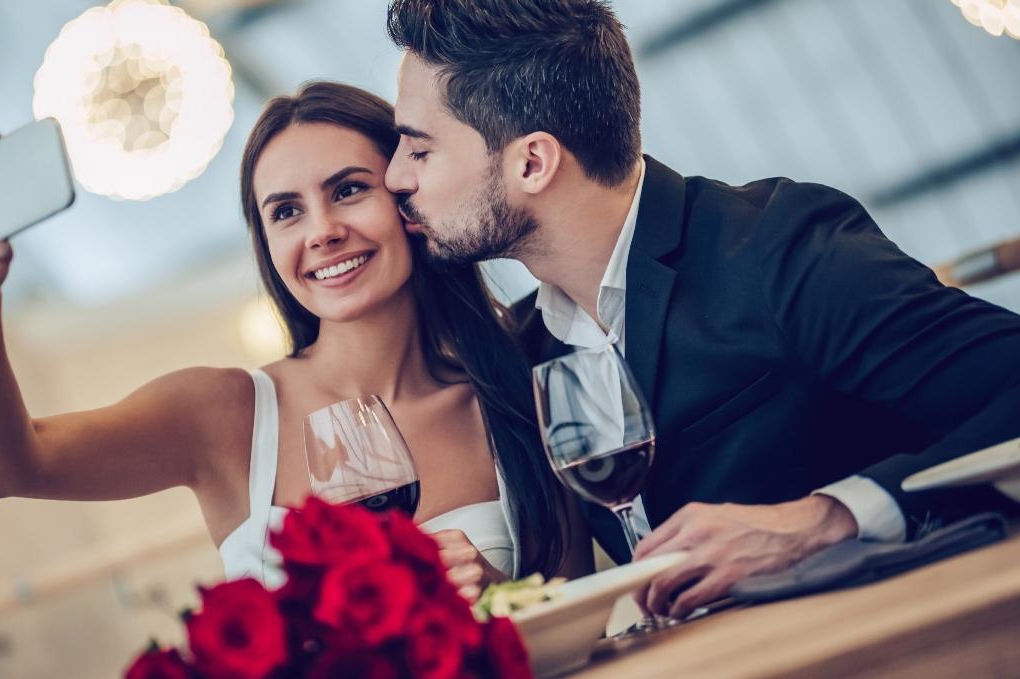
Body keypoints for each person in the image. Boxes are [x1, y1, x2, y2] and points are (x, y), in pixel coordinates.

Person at [382, 0, 1020, 619]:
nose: (394, 179)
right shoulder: (527, 350)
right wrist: (501, 599)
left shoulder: (779, 245)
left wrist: (829, 516)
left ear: (532, 161)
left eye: (419, 149)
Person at [0, 81, 591, 599]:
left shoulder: (516, 387)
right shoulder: (224, 413)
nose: (321, 230)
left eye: (350, 190)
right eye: (287, 211)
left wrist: (496, 589)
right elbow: (9, 467)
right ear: (269, 244)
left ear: (406, 200)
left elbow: (571, 615)